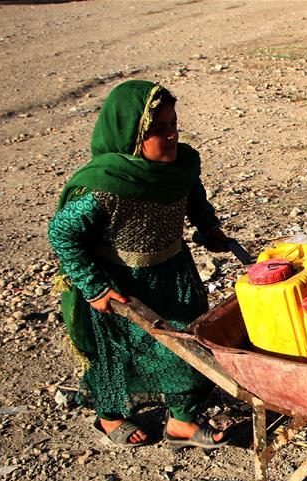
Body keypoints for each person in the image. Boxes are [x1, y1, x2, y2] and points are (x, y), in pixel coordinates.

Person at [49, 79, 230, 448]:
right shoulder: (107, 185)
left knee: (188, 342)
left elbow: (193, 194)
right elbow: (63, 234)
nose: (172, 135)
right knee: (117, 351)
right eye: (158, 130)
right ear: (131, 136)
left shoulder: (181, 166)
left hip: (174, 273)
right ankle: (111, 416)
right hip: (120, 283)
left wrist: (208, 227)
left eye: (174, 124)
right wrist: (93, 286)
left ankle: (181, 421)